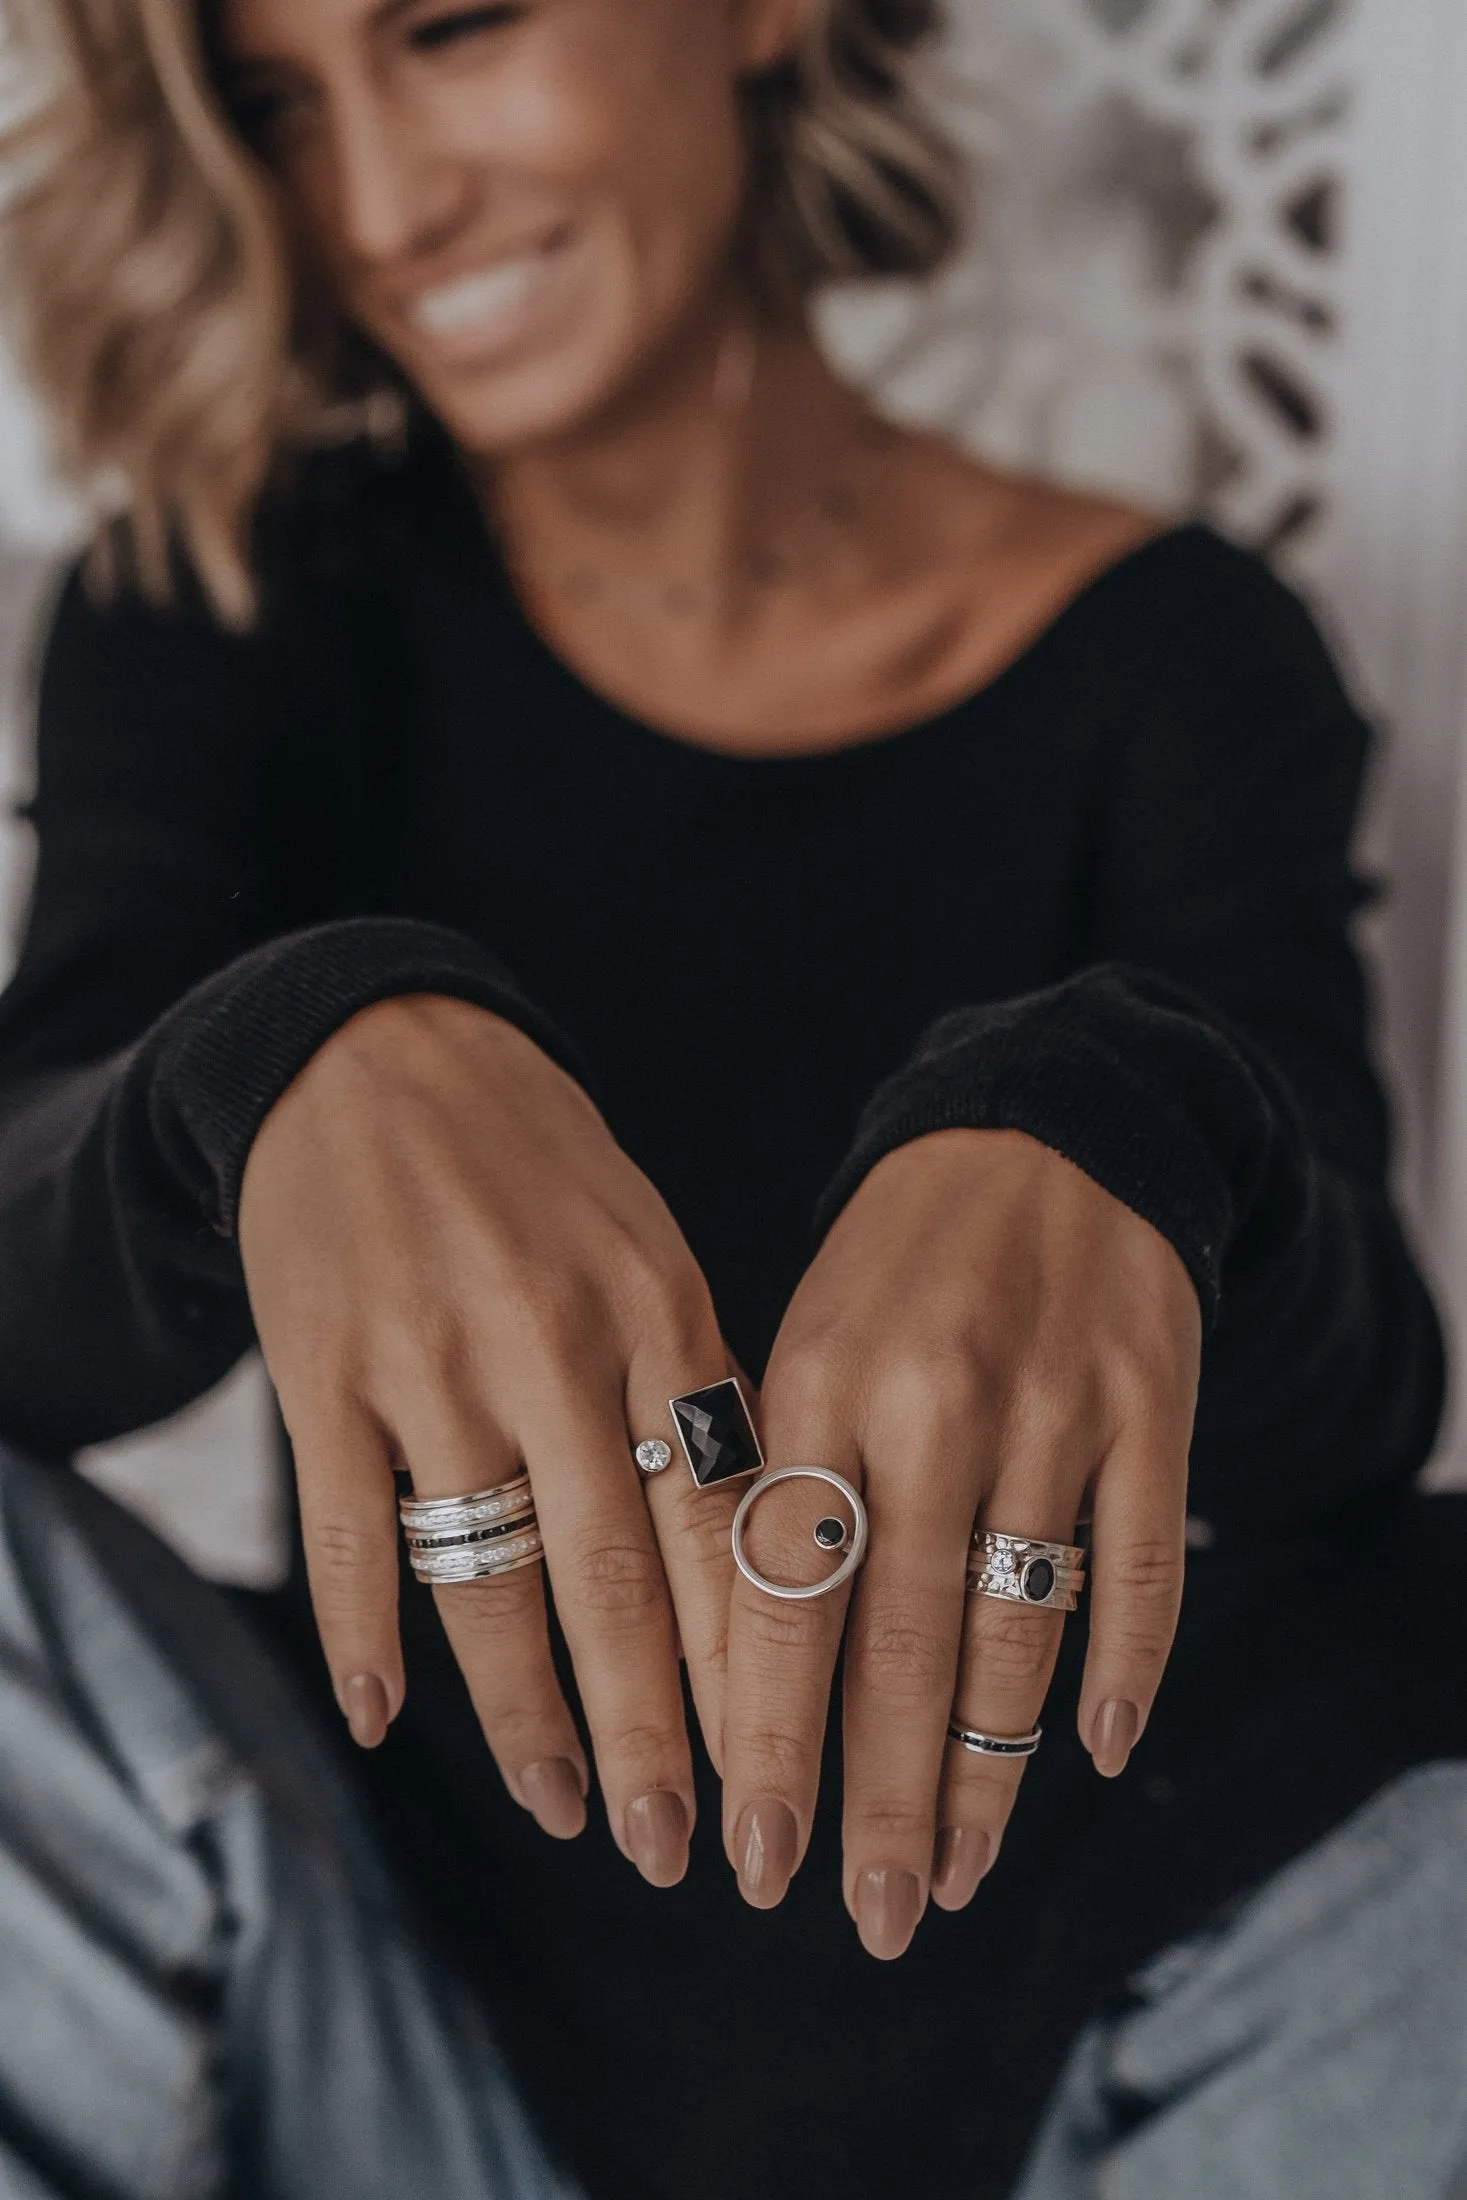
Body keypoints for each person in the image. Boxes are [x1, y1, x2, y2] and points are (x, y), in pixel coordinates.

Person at [0, 0, 1463, 2194]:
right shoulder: (230, 609)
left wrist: (1133, 1122)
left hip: (1091, 2053)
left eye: (455, 29)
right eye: (284, 108)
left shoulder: (1174, 653)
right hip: (383, 2025)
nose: (383, 207)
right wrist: (277, 1057)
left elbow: (1352, 1407)